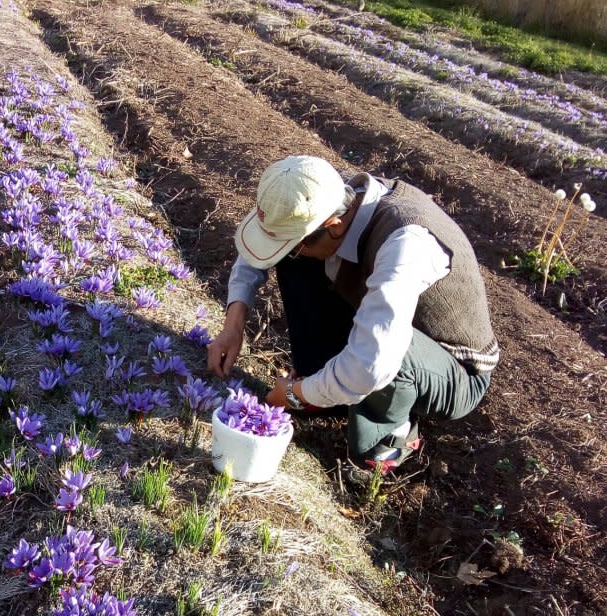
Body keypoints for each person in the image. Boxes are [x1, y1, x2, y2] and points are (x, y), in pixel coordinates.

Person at [207, 155, 499, 472]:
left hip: (453, 367)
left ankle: (391, 438)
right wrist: (233, 325)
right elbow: (262, 248)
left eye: (296, 242)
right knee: (294, 256)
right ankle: (324, 388)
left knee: (388, 354)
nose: (289, 249)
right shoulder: (317, 194)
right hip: (380, 318)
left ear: (332, 227)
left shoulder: (406, 243)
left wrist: (294, 394)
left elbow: (374, 363)